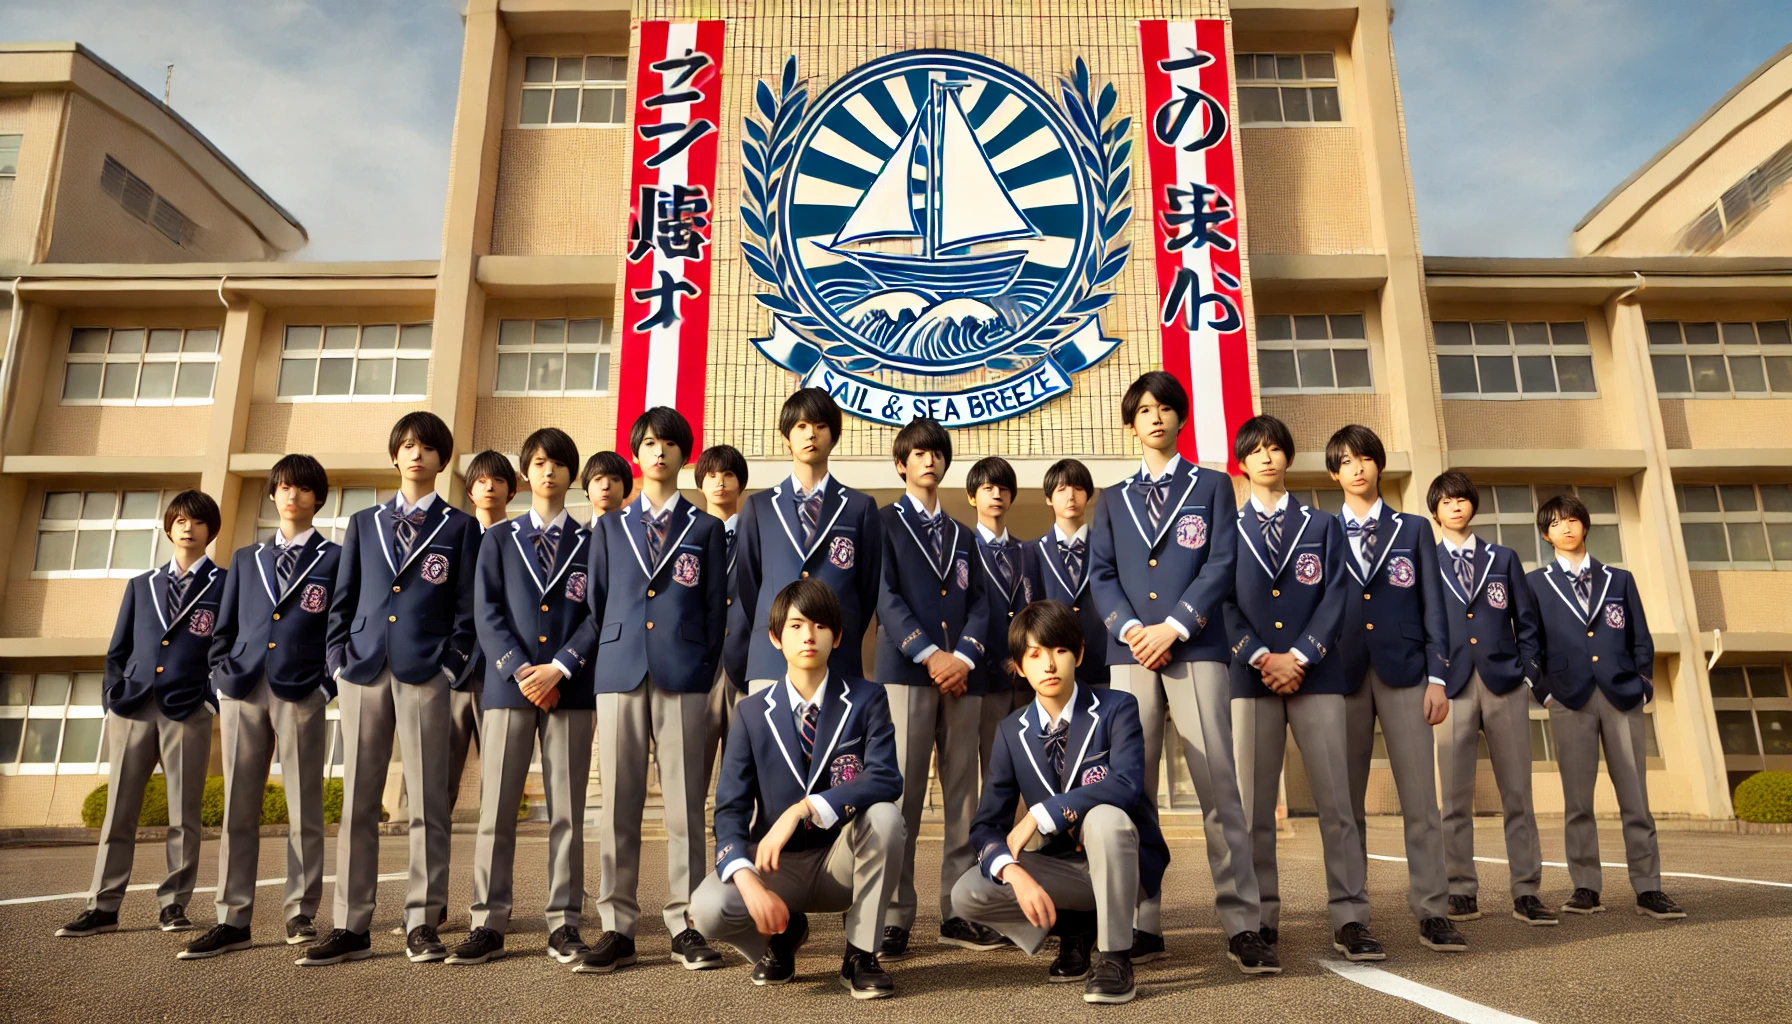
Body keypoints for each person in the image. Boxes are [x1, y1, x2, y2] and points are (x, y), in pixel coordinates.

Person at [1088, 371, 1261, 968]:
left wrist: (1178, 624)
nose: (1155, 417)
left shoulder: (1211, 486)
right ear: (1130, 423)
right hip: (1130, 654)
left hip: (1197, 648)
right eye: (1143, 410)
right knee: (1131, 789)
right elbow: (1101, 576)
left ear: (1180, 419)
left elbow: (1221, 560)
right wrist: (1134, 631)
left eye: (1165, 408)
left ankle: (1243, 920)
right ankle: (1143, 921)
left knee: (1218, 786)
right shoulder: (1111, 498)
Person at [305, 412, 481, 966]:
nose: (416, 455)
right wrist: (336, 661)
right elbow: (344, 599)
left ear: (441, 459)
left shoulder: (459, 527)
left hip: (426, 674)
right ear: (395, 455)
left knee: (429, 801)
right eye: (407, 446)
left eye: (427, 448)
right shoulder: (363, 522)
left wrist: (450, 668)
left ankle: (423, 921)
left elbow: (467, 609)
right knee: (359, 801)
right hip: (361, 671)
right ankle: (351, 924)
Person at [690, 579, 905, 999]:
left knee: (886, 815)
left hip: (840, 860)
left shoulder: (867, 699)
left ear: (837, 636)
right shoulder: (752, 713)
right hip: (777, 869)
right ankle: (781, 938)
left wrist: (803, 808)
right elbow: (730, 810)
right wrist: (750, 883)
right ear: (775, 637)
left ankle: (861, 953)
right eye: (795, 625)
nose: (809, 635)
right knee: (707, 910)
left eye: (820, 625)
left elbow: (885, 777)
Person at [951, 600, 1172, 1005]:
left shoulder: (1117, 708)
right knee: (967, 893)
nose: (1049, 665)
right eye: (1035, 654)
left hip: (1124, 863)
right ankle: (1075, 925)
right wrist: (1015, 873)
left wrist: (1040, 813)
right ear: (1019, 666)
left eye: (1059, 651)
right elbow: (986, 826)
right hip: (1065, 869)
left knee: (1106, 818)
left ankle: (1115, 957)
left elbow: (1124, 785)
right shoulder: (1010, 731)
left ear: (1079, 653)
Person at [580, 408, 729, 974]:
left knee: (687, 808)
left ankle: (687, 923)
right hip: (619, 673)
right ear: (635, 456)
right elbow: (597, 601)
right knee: (618, 802)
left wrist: (699, 664)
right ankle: (616, 927)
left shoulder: (706, 529)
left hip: (684, 676)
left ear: (684, 454)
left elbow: (715, 611)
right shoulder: (609, 526)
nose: (658, 452)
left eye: (669, 444)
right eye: (648, 444)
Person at [1224, 417, 1374, 962]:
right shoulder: (1226, 528)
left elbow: (1338, 594)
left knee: (1337, 803)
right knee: (1254, 808)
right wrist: (1263, 656)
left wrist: (1301, 656)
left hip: (1318, 674)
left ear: (1288, 456)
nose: (1266, 457)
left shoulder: (1324, 523)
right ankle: (1261, 918)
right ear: (1241, 463)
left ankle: (1352, 917)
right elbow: (1221, 603)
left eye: (1275, 448)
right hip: (1251, 676)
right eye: (1255, 451)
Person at [448, 428, 599, 966]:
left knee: (567, 812)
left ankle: (563, 923)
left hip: (570, 689)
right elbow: (486, 614)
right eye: (538, 462)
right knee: (497, 809)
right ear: (525, 475)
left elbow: (595, 616)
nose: (549, 471)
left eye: (559, 463)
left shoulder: (591, 542)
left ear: (571, 475)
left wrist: (558, 668)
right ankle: (487, 922)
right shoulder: (498, 540)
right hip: (507, 690)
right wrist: (520, 671)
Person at [182, 456, 340, 960]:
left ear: (318, 498)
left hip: (302, 690)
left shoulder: (336, 558)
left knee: (304, 806)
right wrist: (221, 678)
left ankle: (300, 912)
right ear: (272, 495)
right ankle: (233, 917)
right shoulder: (246, 559)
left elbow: (339, 627)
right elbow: (222, 630)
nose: (292, 495)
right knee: (238, 809)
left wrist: (325, 686)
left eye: (303, 489)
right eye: (284, 487)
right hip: (242, 690)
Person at [58, 490, 223, 940]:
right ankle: (103, 906)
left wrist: (210, 698)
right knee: (118, 812)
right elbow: (118, 649)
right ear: (169, 528)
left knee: (184, 815)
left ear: (211, 530)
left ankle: (173, 905)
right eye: (180, 520)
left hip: (187, 710)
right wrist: (113, 695)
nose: (188, 527)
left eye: (197, 521)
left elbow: (226, 649)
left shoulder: (225, 585)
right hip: (132, 709)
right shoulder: (141, 584)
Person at [1327, 425, 1466, 954]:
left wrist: (1438, 677)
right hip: (1340, 675)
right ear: (1334, 474)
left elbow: (1435, 605)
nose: (1357, 468)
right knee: (1345, 804)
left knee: (1420, 801)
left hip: (1407, 673)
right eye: (1346, 461)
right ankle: (1351, 917)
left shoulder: (1412, 529)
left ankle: (1432, 909)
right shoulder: (1320, 530)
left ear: (1379, 466)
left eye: (1365, 458)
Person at [1526, 494, 1685, 922]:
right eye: (1557, 523)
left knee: (1635, 796)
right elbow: (1530, 644)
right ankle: (1585, 888)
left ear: (1585, 525)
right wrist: (1544, 692)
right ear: (1546, 534)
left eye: (1573, 520)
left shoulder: (1619, 579)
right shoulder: (1536, 584)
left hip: (1620, 696)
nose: (1567, 527)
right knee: (1578, 801)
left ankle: (1649, 888)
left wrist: (1644, 685)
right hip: (1568, 698)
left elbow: (1641, 639)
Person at [873, 417, 998, 959]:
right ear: (901, 464)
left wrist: (963, 656)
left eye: (936, 453)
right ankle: (896, 914)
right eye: (918, 453)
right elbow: (885, 597)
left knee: (963, 797)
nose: (928, 460)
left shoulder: (964, 535)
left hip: (961, 679)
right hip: (907, 673)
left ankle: (957, 909)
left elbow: (979, 605)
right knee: (902, 797)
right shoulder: (881, 523)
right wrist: (931, 654)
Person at [1426, 471, 1555, 927]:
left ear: (1472, 507)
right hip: (1451, 686)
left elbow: (1528, 622)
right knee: (1455, 797)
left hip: (1504, 684)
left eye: (1462, 499)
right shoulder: (1427, 560)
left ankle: (1527, 891)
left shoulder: (1503, 558)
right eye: (1446, 501)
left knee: (1518, 793)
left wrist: (1528, 674)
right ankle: (1461, 889)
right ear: (1435, 511)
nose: (1456, 506)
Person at [729, 388, 881, 693]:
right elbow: (748, 586)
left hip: (838, 657)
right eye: (801, 426)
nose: (811, 434)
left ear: (834, 437)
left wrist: (840, 629)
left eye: (820, 426)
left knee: (836, 741)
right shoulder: (759, 507)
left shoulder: (859, 507)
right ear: (787, 438)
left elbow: (866, 589)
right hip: (772, 658)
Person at [966, 455, 1041, 770]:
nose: (996, 494)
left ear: (1012, 496)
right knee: (986, 765)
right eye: (987, 488)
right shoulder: (962, 549)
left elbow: (1037, 610)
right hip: (980, 678)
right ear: (972, 497)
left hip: (1025, 679)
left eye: (1003, 488)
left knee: (1029, 765)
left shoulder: (1030, 552)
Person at [1030, 459, 1107, 691]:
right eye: (1061, 490)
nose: (1070, 496)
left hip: (1103, 662)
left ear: (1089, 496)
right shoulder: (1030, 551)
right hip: (1050, 668)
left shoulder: (1108, 548)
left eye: (1078, 489)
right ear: (1048, 498)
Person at [697, 443, 748, 785]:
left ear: (740, 484)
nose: (720, 482)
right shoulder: (688, 534)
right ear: (700, 483)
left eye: (728, 474)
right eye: (712, 475)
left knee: (742, 766)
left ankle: (734, 835)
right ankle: (688, 839)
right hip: (698, 667)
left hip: (745, 663)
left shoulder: (757, 533)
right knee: (691, 765)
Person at [582, 450, 634, 522]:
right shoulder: (578, 532)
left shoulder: (643, 531)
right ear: (586, 490)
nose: (605, 486)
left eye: (614, 479)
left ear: (625, 488)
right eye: (598, 479)